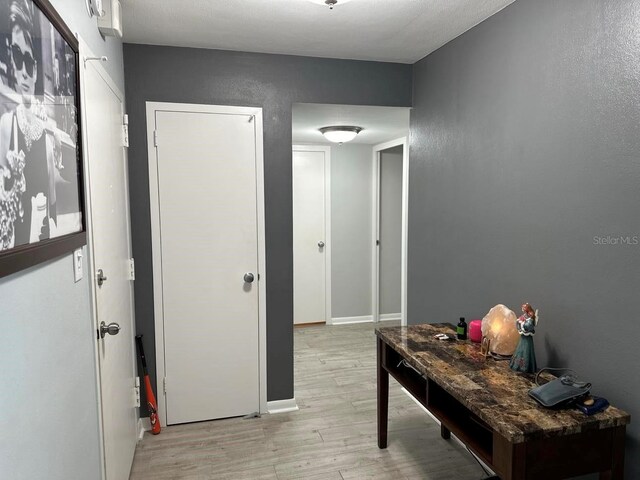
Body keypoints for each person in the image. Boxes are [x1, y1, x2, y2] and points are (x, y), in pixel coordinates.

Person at [0, 0, 53, 249]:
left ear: (36, 69)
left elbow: (50, 213)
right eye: (18, 59)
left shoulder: (46, 134)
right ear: (10, 59)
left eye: (29, 62)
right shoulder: (7, 126)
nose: (23, 73)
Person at [509, 302, 538, 373]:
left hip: (527, 338)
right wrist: (519, 322)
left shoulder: (531, 317)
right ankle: (517, 364)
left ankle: (525, 367)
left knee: (526, 350)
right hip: (523, 337)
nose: (522, 309)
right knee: (520, 349)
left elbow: (529, 325)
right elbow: (518, 321)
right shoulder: (524, 315)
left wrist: (522, 324)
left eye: (524, 307)